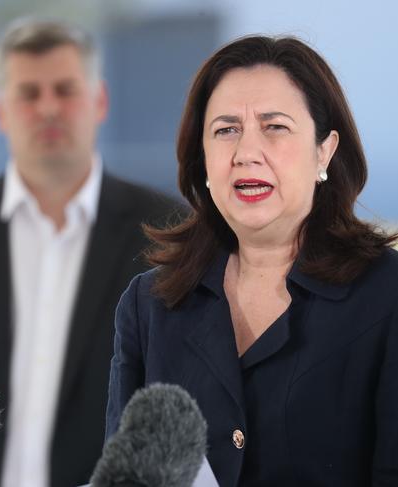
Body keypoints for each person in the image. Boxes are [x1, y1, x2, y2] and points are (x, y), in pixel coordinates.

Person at [0, 17, 185, 487]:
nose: (48, 108)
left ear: (100, 102)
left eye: (65, 89)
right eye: (29, 93)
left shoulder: (169, 234)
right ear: (1, 112)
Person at [105, 34, 398, 487]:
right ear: (202, 159)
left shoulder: (386, 296)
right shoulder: (151, 305)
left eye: (274, 126)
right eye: (226, 130)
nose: (246, 153)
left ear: (325, 149)